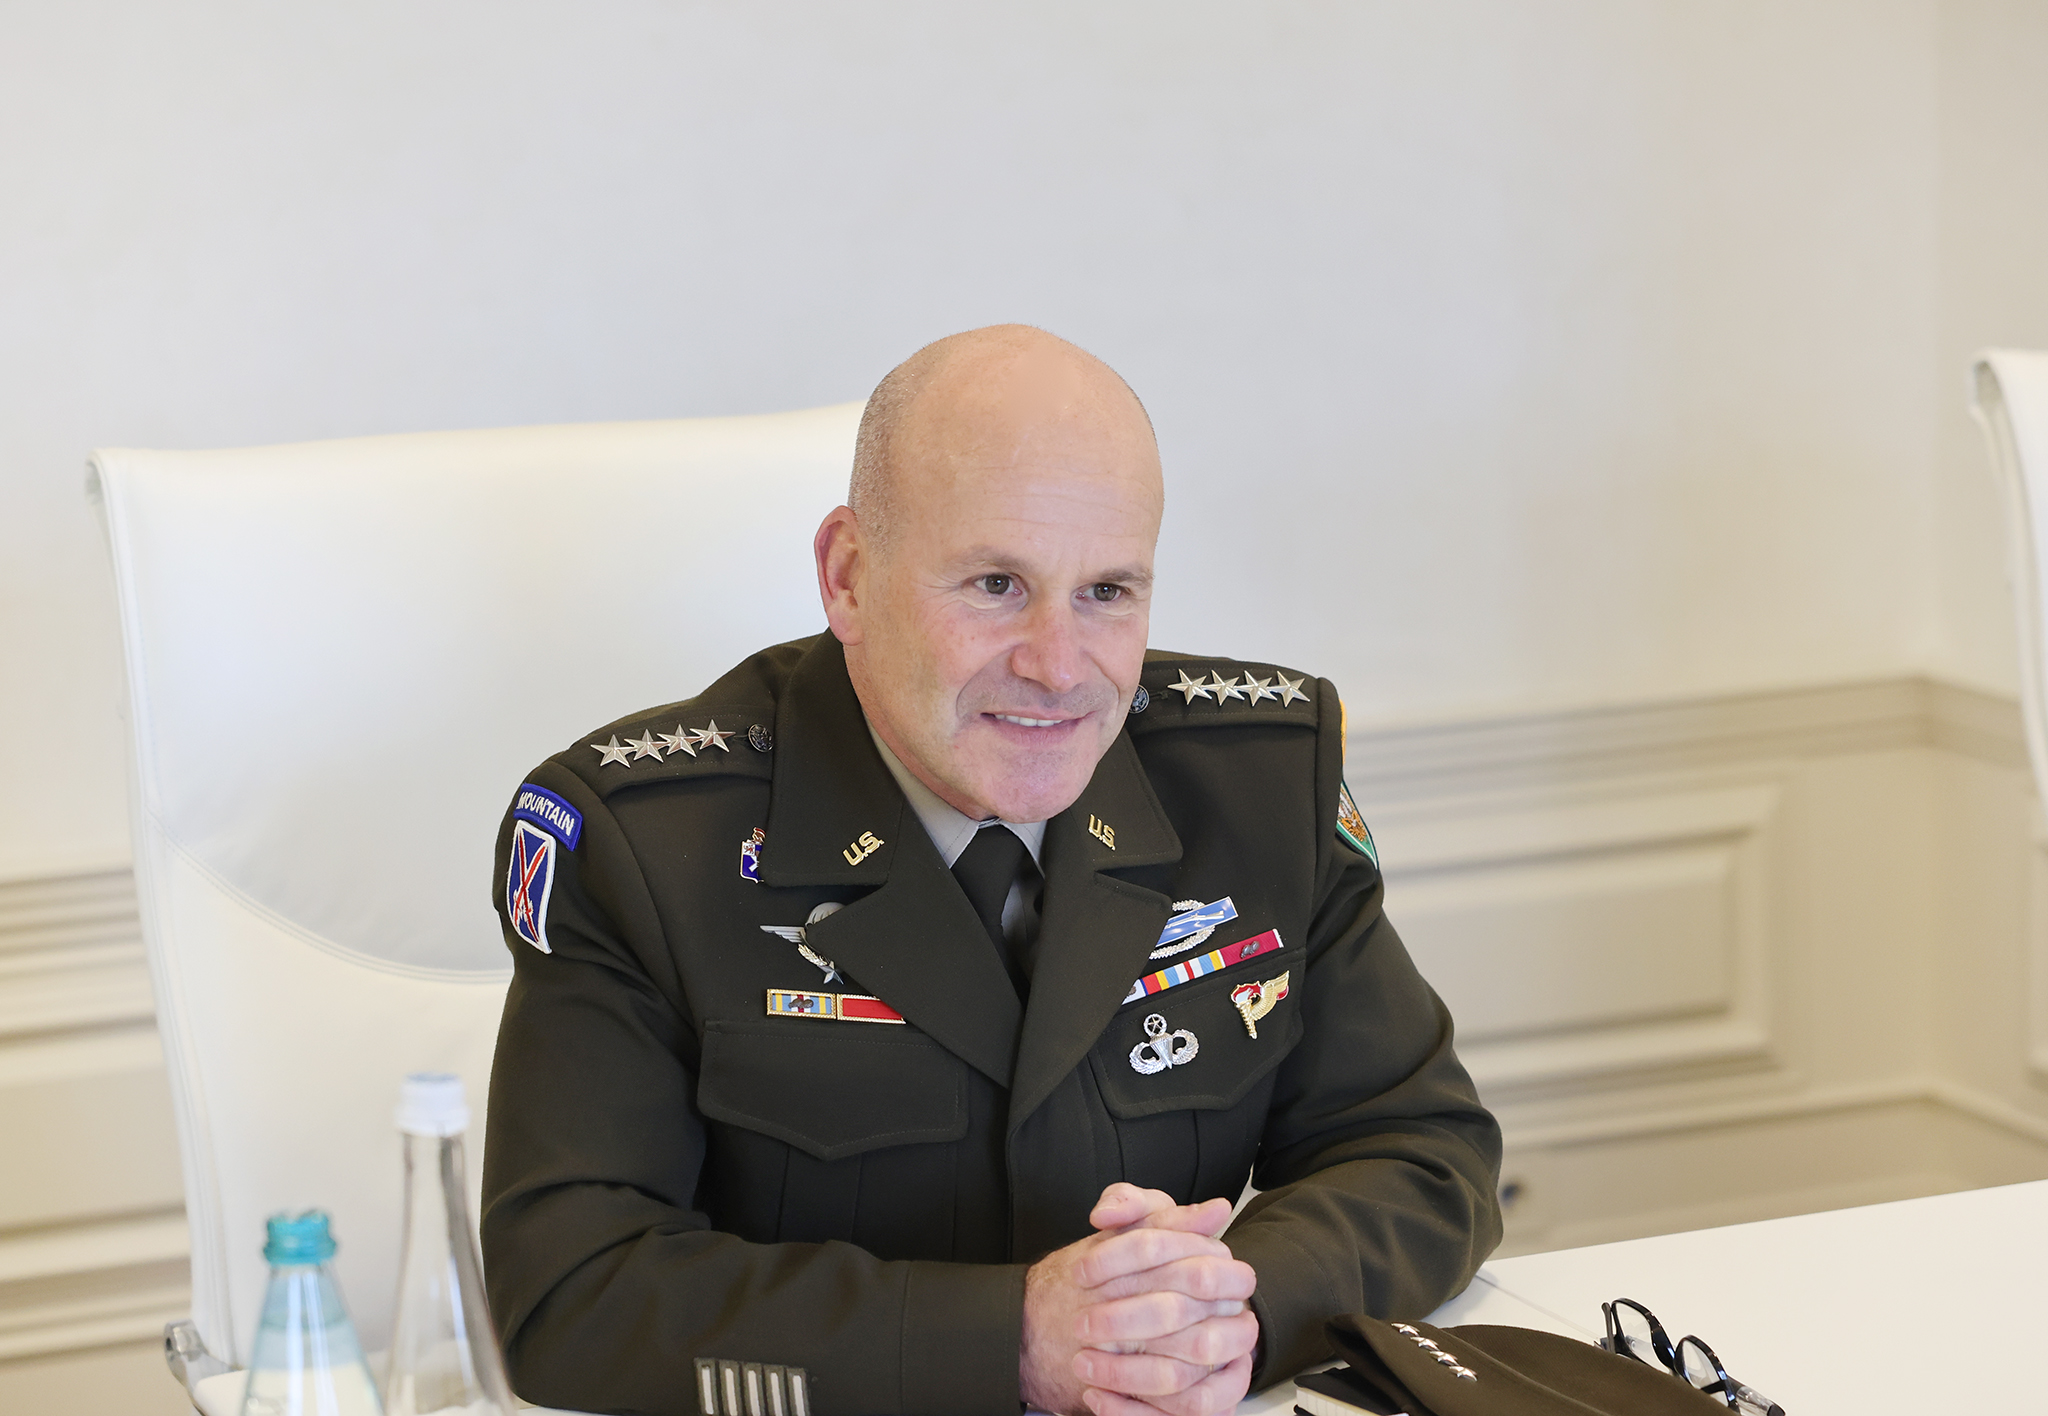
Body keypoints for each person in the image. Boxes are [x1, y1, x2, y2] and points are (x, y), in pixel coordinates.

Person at [482, 326, 1503, 1416]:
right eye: (996, 584)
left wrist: (1229, 1311)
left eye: (1106, 591)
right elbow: (572, 1294)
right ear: (848, 576)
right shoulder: (641, 844)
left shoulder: (1258, 784)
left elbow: (1419, 1148)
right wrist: (1010, 1342)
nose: (1058, 667)